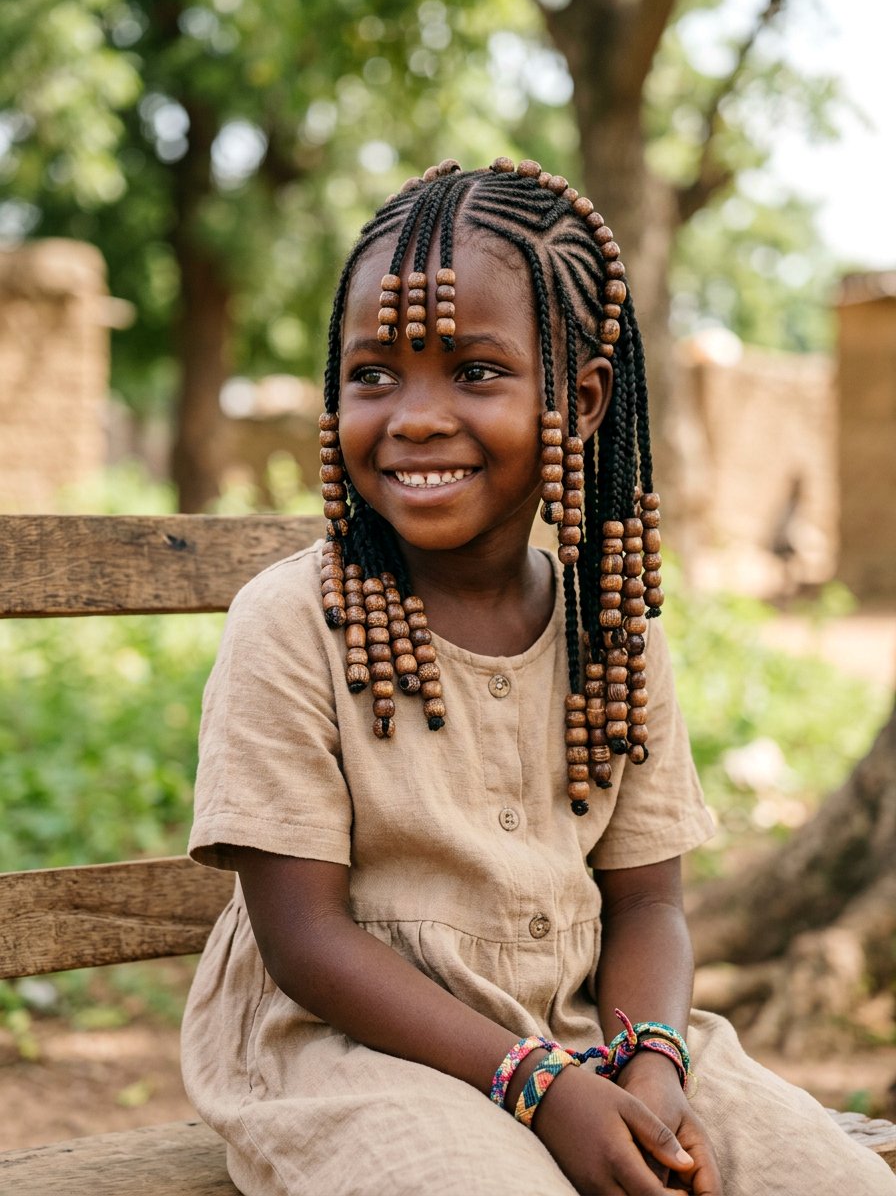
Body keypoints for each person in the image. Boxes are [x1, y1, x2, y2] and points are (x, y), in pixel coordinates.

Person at [181, 158, 896, 1195]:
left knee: (829, 1181)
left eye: (473, 371)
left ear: (583, 396)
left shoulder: (611, 633)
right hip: (350, 1046)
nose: (414, 416)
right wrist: (536, 1088)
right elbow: (302, 942)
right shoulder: (293, 624)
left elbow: (648, 907)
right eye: (373, 373)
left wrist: (650, 1062)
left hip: (583, 1024)